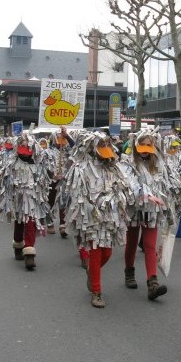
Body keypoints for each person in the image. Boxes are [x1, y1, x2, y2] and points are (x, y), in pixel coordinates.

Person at [64, 131, 134, 308]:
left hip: (111, 218)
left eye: (107, 146)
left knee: (107, 253)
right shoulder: (82, 169)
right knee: (96, 252)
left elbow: (125, 187)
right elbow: (78, 194)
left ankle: (91, 272)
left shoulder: (115, 167)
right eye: (101, 146)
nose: (105, 150)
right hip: (92, 218)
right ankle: (96, 291)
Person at [121, 129, 181, 301]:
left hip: (153, 210)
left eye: (149, 145)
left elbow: (166, 184)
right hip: (133, 208)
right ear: (136, 145)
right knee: (132, 242)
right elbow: (129, 184)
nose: (146, 149)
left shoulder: (160, 163)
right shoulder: (127, 162)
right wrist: (145, 195)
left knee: (149, 244)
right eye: (143, 145)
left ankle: (152, 282)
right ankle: (129, 272)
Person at [0, 134, 53, 270]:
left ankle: (29, 253)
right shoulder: (12, 163)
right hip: (18, 199)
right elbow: (3, 181)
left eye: (28, 147)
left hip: (33, 199)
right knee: (19, 223)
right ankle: (18, 245)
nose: (25, 152)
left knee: (31, 223)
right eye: (22, 147)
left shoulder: (39, 163)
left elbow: (46, 179)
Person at [47, 126, 75, 237]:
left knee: (64, 201)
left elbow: (77, 148)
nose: (60, 141)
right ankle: (49, 223)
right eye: (58, 138)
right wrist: (53, 176)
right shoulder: (48, 152)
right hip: (52, 180)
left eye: (62, 139)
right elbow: (44, 166)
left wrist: (67, 136)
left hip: (65, 180)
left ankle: (63, 225)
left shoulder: (69, 151)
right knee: (51, 201)